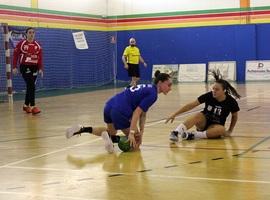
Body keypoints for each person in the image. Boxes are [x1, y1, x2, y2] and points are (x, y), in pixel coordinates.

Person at [66, 70, 172, 153]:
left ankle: (82, 129)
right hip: (121, 111)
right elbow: (137, 113)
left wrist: (141, 132)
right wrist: (132, 133)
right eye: (169, 85)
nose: (170, 88)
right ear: (160, 83)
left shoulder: (147, 88)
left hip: (109, 105)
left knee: (111, 131)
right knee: (135, 145)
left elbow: (143, 115)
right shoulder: (153, 94)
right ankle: (112, 140)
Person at [166, 69, 240, 141]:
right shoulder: (209, 95)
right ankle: (176, 132)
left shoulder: (231, 101)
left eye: (217, 89)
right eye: (213, 89)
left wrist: (230, 130)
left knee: (222, 130)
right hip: (203, 123)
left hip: (215, 126)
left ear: (224, 91)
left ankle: (193, 135)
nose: (214, 91)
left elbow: (234, 116)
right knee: (198, 115)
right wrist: (175, 114)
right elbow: (191, 105)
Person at [12, 27, 44, 114]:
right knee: (31, 86)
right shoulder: (21, 44)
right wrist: (14, 67)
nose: (31, 34)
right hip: (25, 67)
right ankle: (33, 106)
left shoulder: (37, 45)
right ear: (26, 34)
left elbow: (40, 58)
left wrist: (40, 68)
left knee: (30, 86)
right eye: (29, 32)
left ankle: (26, 106)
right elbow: (15, 55)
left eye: (33, 32)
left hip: (34, 68)